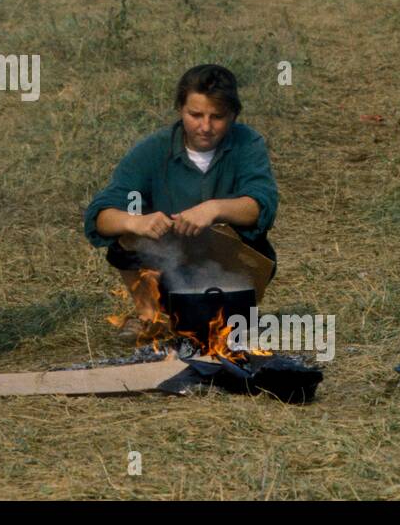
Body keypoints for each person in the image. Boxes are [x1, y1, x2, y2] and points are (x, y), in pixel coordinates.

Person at [84, 64, 278, 341]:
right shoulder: (153, 150)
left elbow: (261, 206)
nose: (206, 127)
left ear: (234, 115)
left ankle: (231, 318)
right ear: (179, 110)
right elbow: (99, 216)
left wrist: (213, 209)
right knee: (125, 236)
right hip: (167, 266)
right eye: (195, 115)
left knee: (224, 327)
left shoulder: (247, 143)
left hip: (228, 269)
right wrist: (135, 221)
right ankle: (150, 318)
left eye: (218, 117)